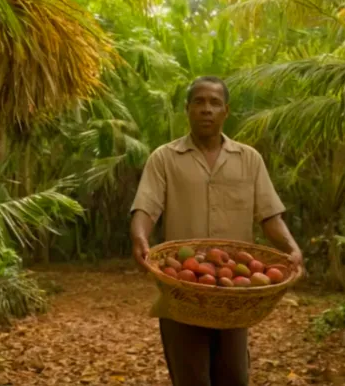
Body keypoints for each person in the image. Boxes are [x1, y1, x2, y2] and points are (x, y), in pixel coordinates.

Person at [129, 75, 303, 386]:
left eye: (214, 103)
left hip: (234, 297)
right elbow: (146, 207)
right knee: (191, 378)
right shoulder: (165, 158)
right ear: (187, 110)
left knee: (234, 377)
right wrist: (140, 237)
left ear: (226, 111)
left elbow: (269, 215)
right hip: (182, 292)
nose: (206, 109)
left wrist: (291, 247)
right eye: (199, 102)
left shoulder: (249, 159)